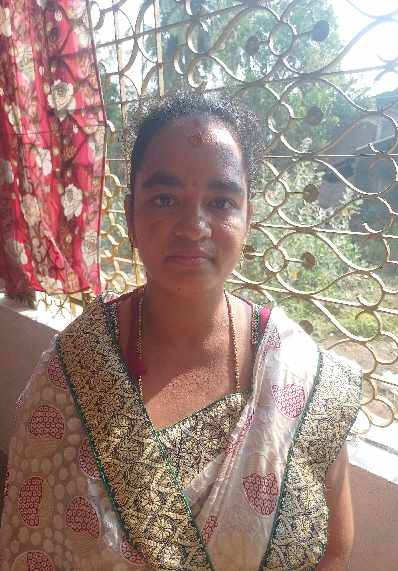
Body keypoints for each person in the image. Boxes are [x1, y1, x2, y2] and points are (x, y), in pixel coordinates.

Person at [0, 93, 362, 571]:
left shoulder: (300, 375)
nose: (193, 226)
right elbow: (33, 542)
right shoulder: (75, 369)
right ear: (131, 216)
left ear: (247, 218)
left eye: (221, 201)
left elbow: (334, 548)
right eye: (165, 199)